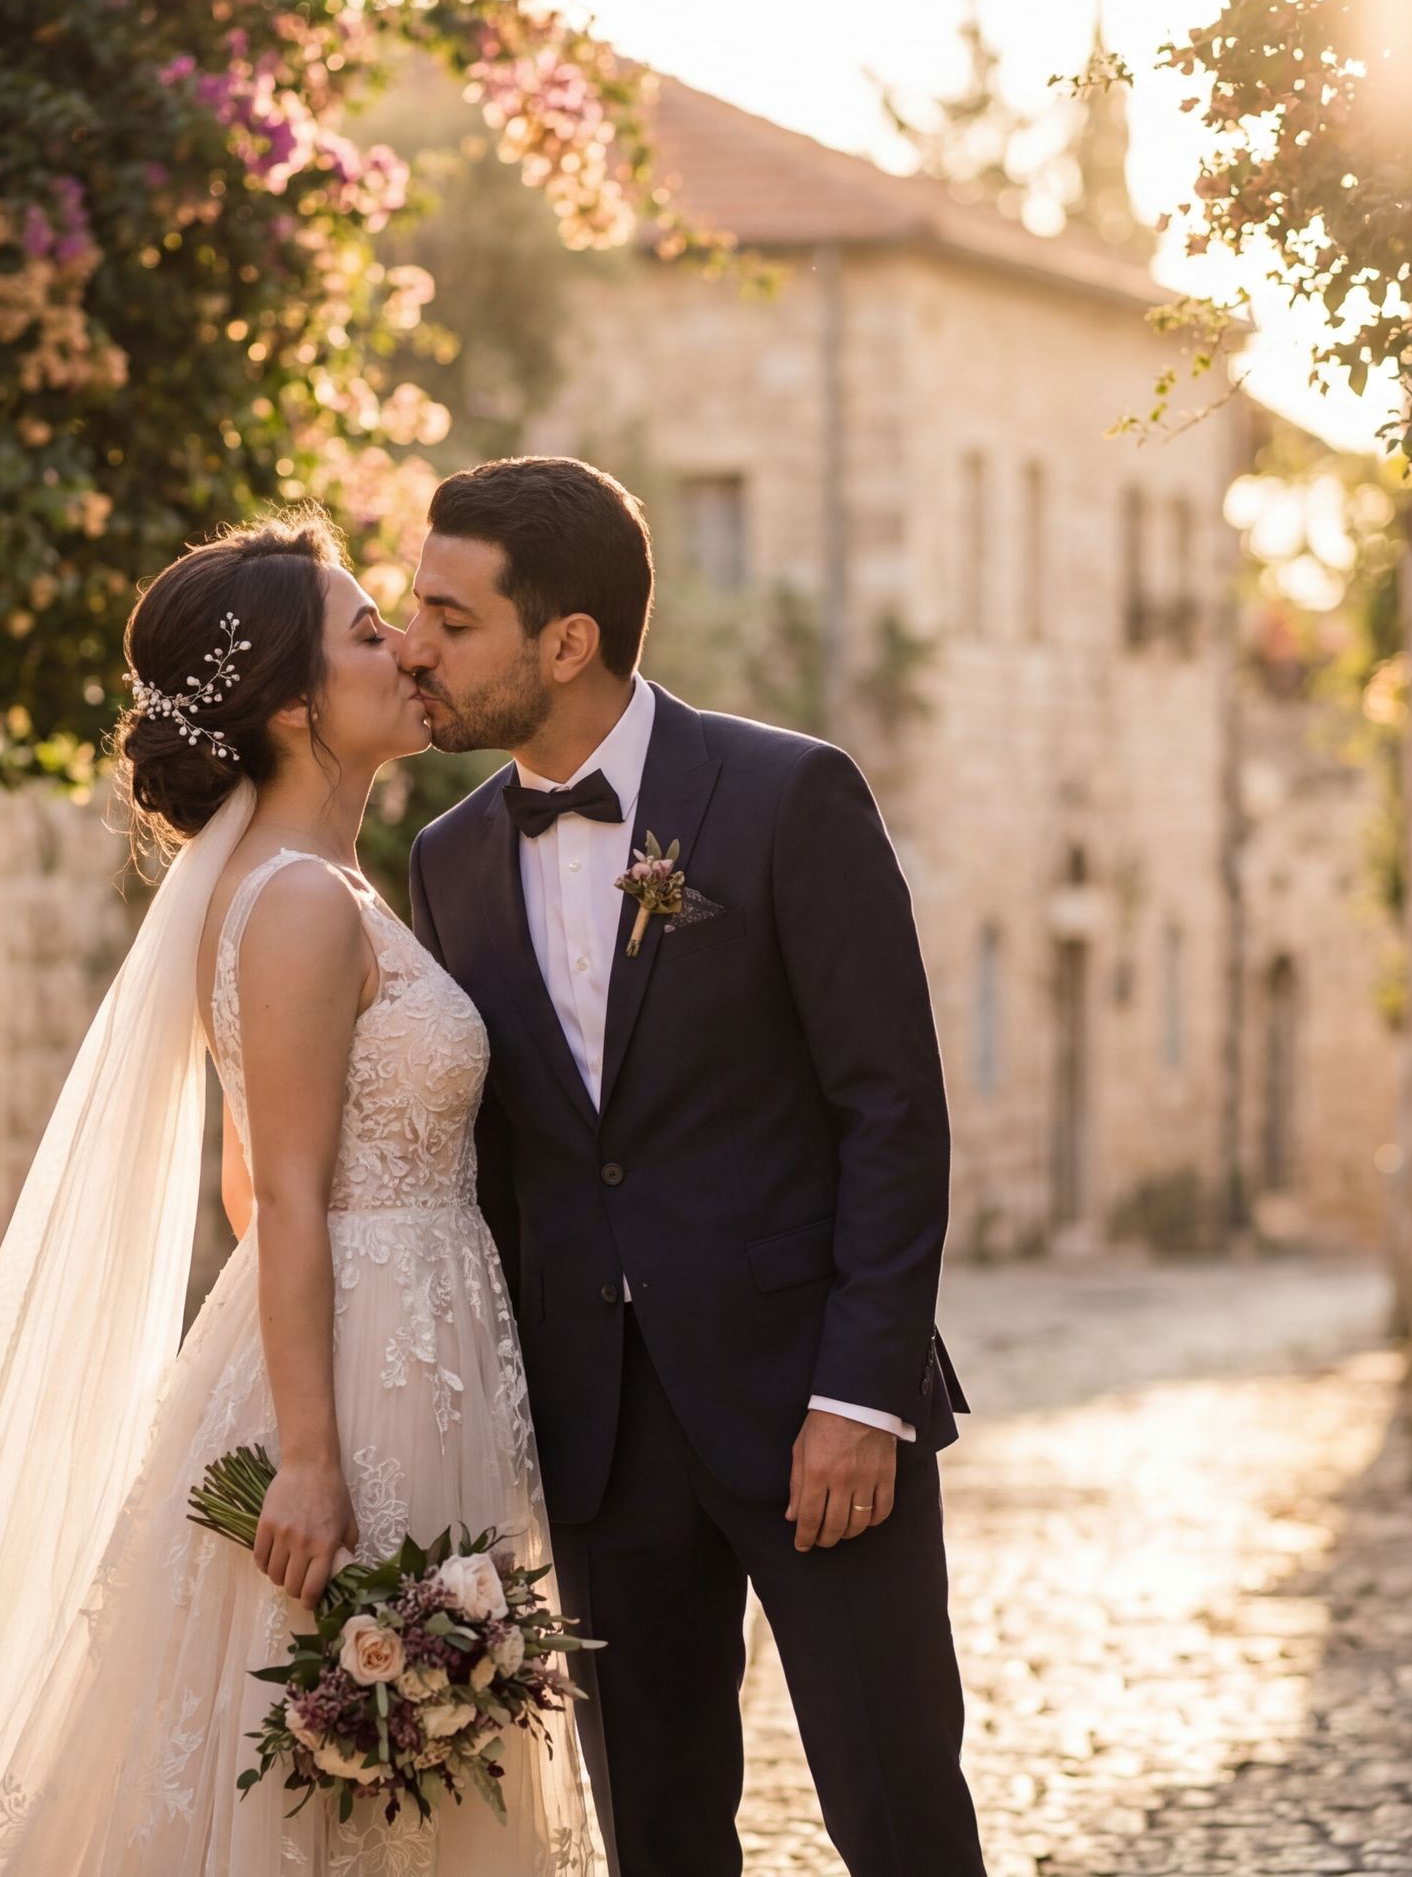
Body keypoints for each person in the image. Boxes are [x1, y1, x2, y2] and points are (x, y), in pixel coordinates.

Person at [0, 514, 597, 1876]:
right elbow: (288, 1198)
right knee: (339, 1770)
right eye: (361, 631)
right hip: (363, 1369)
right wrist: (316, 1458)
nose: (398, 641)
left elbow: (243, 1170)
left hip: (411, 1347)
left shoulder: (311, 886)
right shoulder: (300, 904)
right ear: (289, 702)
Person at [398, 456, 986, 1877]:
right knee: (657, 1836)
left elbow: (892, 1109)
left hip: (816, 1413)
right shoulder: (450, 858)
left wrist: (862, 1396)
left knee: (900, 1814)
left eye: (448, 616)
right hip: (599, 1442)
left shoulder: (788, 796)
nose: (412, 643)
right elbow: (501, 1172)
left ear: (567, 641)